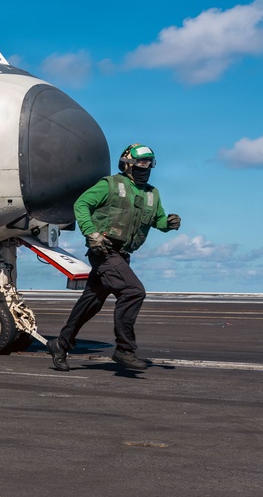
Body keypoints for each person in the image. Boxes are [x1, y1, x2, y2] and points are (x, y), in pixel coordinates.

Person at [47, 143, 181, 371]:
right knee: (133, 291)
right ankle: (124, 349)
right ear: (128, 164)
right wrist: (92, 233)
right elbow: (82, 204)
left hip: (122, 255)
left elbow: (157, 220)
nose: (144, 167)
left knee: (92, 302)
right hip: (105, 252)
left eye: (148, 163)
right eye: (140, 163)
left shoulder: (152, 194)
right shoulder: (109, 185)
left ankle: (60, 344)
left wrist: (168, 223)